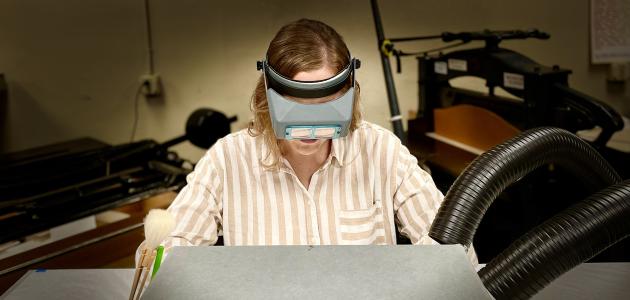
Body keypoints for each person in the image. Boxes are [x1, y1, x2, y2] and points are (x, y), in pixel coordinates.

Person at [137, 18, 476, 264]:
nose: (310, 130)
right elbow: (170, 248)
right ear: (266, 97)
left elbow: (450, 245)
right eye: (295, 110)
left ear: (349, 96)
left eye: (326, 110)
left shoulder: (381, 151)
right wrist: (163, 262)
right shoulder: (227, 160)